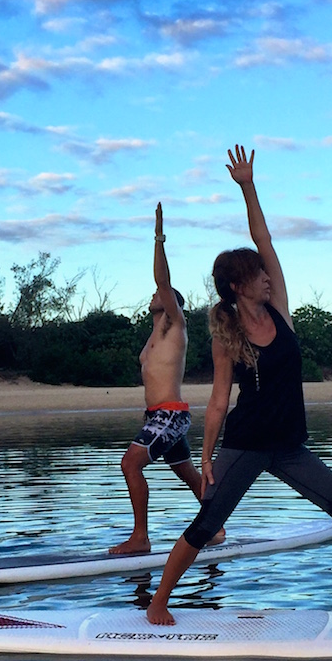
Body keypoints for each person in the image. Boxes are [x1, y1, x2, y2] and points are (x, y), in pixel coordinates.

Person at [145, 146, 332, 624]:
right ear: (238, 286)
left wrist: (247, 187)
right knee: (206, 524)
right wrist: (206, 458)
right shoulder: (226, 334)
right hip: (246, 445)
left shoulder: (279, 308)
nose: (266, 275)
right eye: (256, 274)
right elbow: (219, 400)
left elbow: (264, 238)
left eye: (265, 272)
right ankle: (158, 603)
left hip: (289, 446)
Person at [109, 201, 221, 555]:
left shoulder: (176, 325)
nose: (154, 294)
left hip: (168, 415)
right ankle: (215, 528)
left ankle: (140, 537)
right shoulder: (155, 334)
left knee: (130, 464)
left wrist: (158, 236)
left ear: (172, 302)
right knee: (187, 474)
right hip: (160, 416)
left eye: (161, 294)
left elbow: (163, 280)